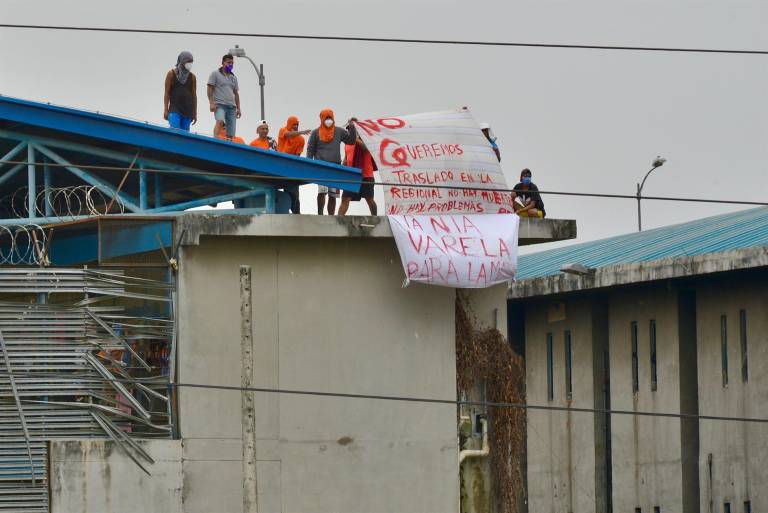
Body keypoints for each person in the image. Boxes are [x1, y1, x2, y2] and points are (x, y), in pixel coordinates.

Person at [306, 109, 358, 215]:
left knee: (332, 194)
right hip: (320, 167)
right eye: (326, 118)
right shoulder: (316, 133)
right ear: (322, 119)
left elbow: (351, 141)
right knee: (322, 192)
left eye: (330, 118)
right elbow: (310, 150)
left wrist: (352, 127)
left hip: (335, 168)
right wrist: (308, 165)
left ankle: (331, 216)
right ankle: (320, 214)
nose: (328, 120)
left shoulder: (339, 131)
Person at [277, 116, 311, 214]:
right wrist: (301, 132)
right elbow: (288, 135)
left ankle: (296, 213)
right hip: (279, 165)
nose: (295, 126)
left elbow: (297, 155)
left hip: (291, 167)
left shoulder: (301, 140)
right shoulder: (282, 130)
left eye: (297, 124)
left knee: (293, 191)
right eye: (293, 124)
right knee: (279, 189)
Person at [339, 136, 377, 216]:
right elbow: (346, 159)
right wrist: (341, 169)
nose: (351, 130)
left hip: (366, 175)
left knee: (369, 199)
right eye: (349, 129)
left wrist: (357, 140)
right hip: (351, 176)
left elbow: (366, 149)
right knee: (345, 198)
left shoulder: (366, 139)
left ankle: (375, 218)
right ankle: (338, 220)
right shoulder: (347, 143)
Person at [207, 54, 241, 139]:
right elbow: (209, 88)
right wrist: (211, 103)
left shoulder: (234, 77)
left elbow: (236, 94)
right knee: (220, 121)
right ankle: (215, 139)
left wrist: (238, 108)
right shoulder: (215, 74)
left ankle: (229, 145)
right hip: (219, 105)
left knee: (231, 132)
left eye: (232, 63)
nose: (231, 64)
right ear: (223, 63)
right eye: (229, 62)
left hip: (232, 107)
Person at [163, 51, 197, 130]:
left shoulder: (192, 77)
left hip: (187, 111)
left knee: (184, 137)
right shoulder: (171, 74)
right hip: (174, 109)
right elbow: (167, 93)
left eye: (191, 62)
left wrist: (194, 113)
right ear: (182, 61)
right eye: (188, 61)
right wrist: (165, 109)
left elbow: (194, 96)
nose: (190, 64)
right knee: (174, 133)